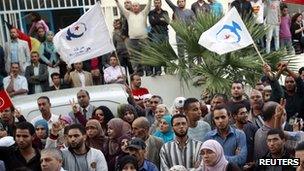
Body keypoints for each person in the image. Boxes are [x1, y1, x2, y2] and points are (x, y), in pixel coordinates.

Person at [115, 0, 152, 76]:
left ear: (139, 7)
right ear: (132, 7)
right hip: (133, 40)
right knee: (135, 57)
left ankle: (148, 72)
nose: (135, 7)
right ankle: (139, 73)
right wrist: (117, 2)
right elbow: (122, 8)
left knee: (146, 56)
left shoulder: (143, 13)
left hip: (144, 39)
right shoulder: (128, 14)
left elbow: (148, 6)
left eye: (136, 6)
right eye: (133, 6)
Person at [230, 103, 258, 169]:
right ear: (235, 116)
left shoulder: (252, 128)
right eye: (242, 113)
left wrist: (254, 163)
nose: (245, 115)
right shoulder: (230, 131)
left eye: (246, 112)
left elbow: (256, 148)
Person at [148, 0, 169, 76]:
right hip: (155, 35)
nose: (157, 4)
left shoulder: (165, 12)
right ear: (154, 4)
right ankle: (158, 70)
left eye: (158, 3)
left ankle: (167, 70)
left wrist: (157, 20)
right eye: (155, 3)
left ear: (161, 3)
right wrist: (161, 20)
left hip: (164, 34)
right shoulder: (151, 13)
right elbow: (152, 22)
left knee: (165, 52)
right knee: (157, 52)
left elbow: (167, 22)